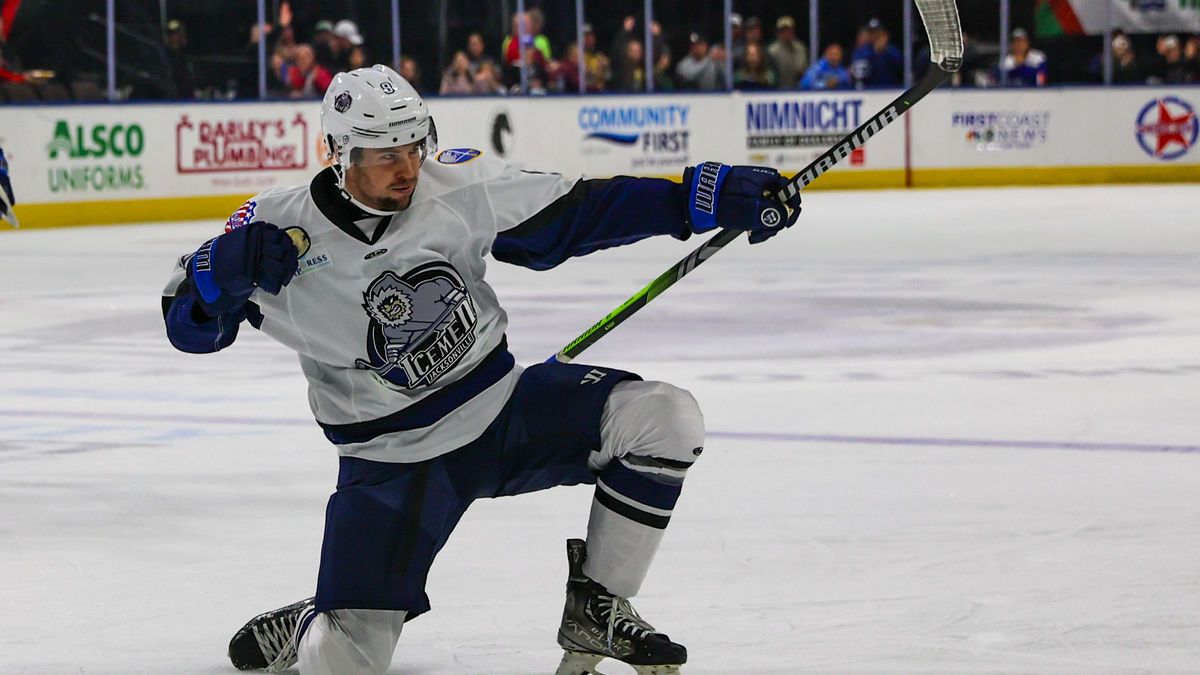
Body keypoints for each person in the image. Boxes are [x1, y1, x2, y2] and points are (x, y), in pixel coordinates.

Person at [159, 64, 801, 675]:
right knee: (346, 661)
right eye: (386, 155)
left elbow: (574, 216)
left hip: (502, 410)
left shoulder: (453, 186)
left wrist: (695, 198)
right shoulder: (275, 229)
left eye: (414, 146)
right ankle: (313, 625)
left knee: (664, 417)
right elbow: (186, 325)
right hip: (390, 462)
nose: (408, 168)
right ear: (338, 153)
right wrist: (215, 283)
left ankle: (597, 605)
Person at [850, 18, 902, 89]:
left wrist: (885, 51)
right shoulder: (861, 51)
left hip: (891, 89)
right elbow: (857, 71)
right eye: (872, 32)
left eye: (877, 32)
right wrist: (875, 53)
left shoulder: (891, 49)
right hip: (870, 90)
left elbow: (901, 66)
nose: (875, 35)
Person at [768, 15, 808, 90]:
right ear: (778, 32)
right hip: (778, 89)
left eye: (789, 30)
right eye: (783, 30)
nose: (786, 33)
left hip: (798, 89)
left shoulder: (800, 48)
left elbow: (805, 70)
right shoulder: (772, 51)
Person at [0, 146, 17, 228]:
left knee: (10, 201)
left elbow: (5, 171)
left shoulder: (3, 159)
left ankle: (3, 212)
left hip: (3, 179)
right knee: (10, 201)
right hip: (3, 179)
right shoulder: (3, 159)